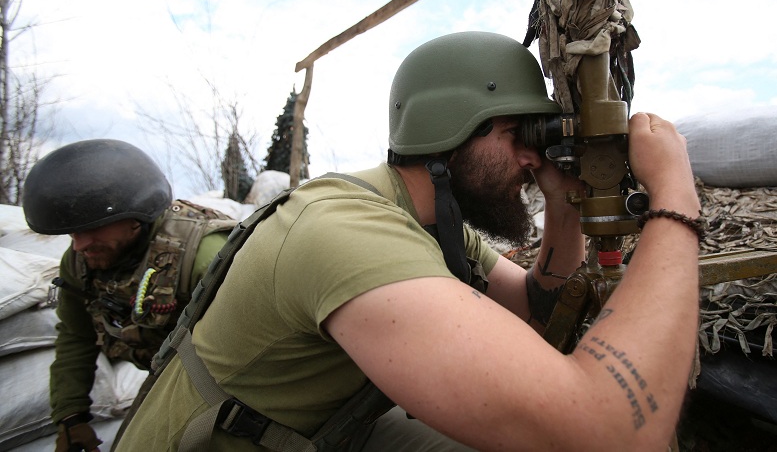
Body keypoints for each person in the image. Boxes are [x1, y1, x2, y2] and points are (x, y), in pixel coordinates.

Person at [116, 31, 701, 451]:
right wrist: (675, 196)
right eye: (518, 133)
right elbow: (612, 432)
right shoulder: (346, 233)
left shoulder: (424, 222)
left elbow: (531, 307)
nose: (532, 155)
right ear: (449, 130)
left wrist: (561, 204)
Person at [21, 139, 238, 452]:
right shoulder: (81, 261)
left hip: (225, 382)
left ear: (136, 216)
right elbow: (75, 335)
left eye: (93, 228)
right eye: (72, 233)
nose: (80, 245)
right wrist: (70, 415)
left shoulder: (204, 256)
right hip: (165, 374)